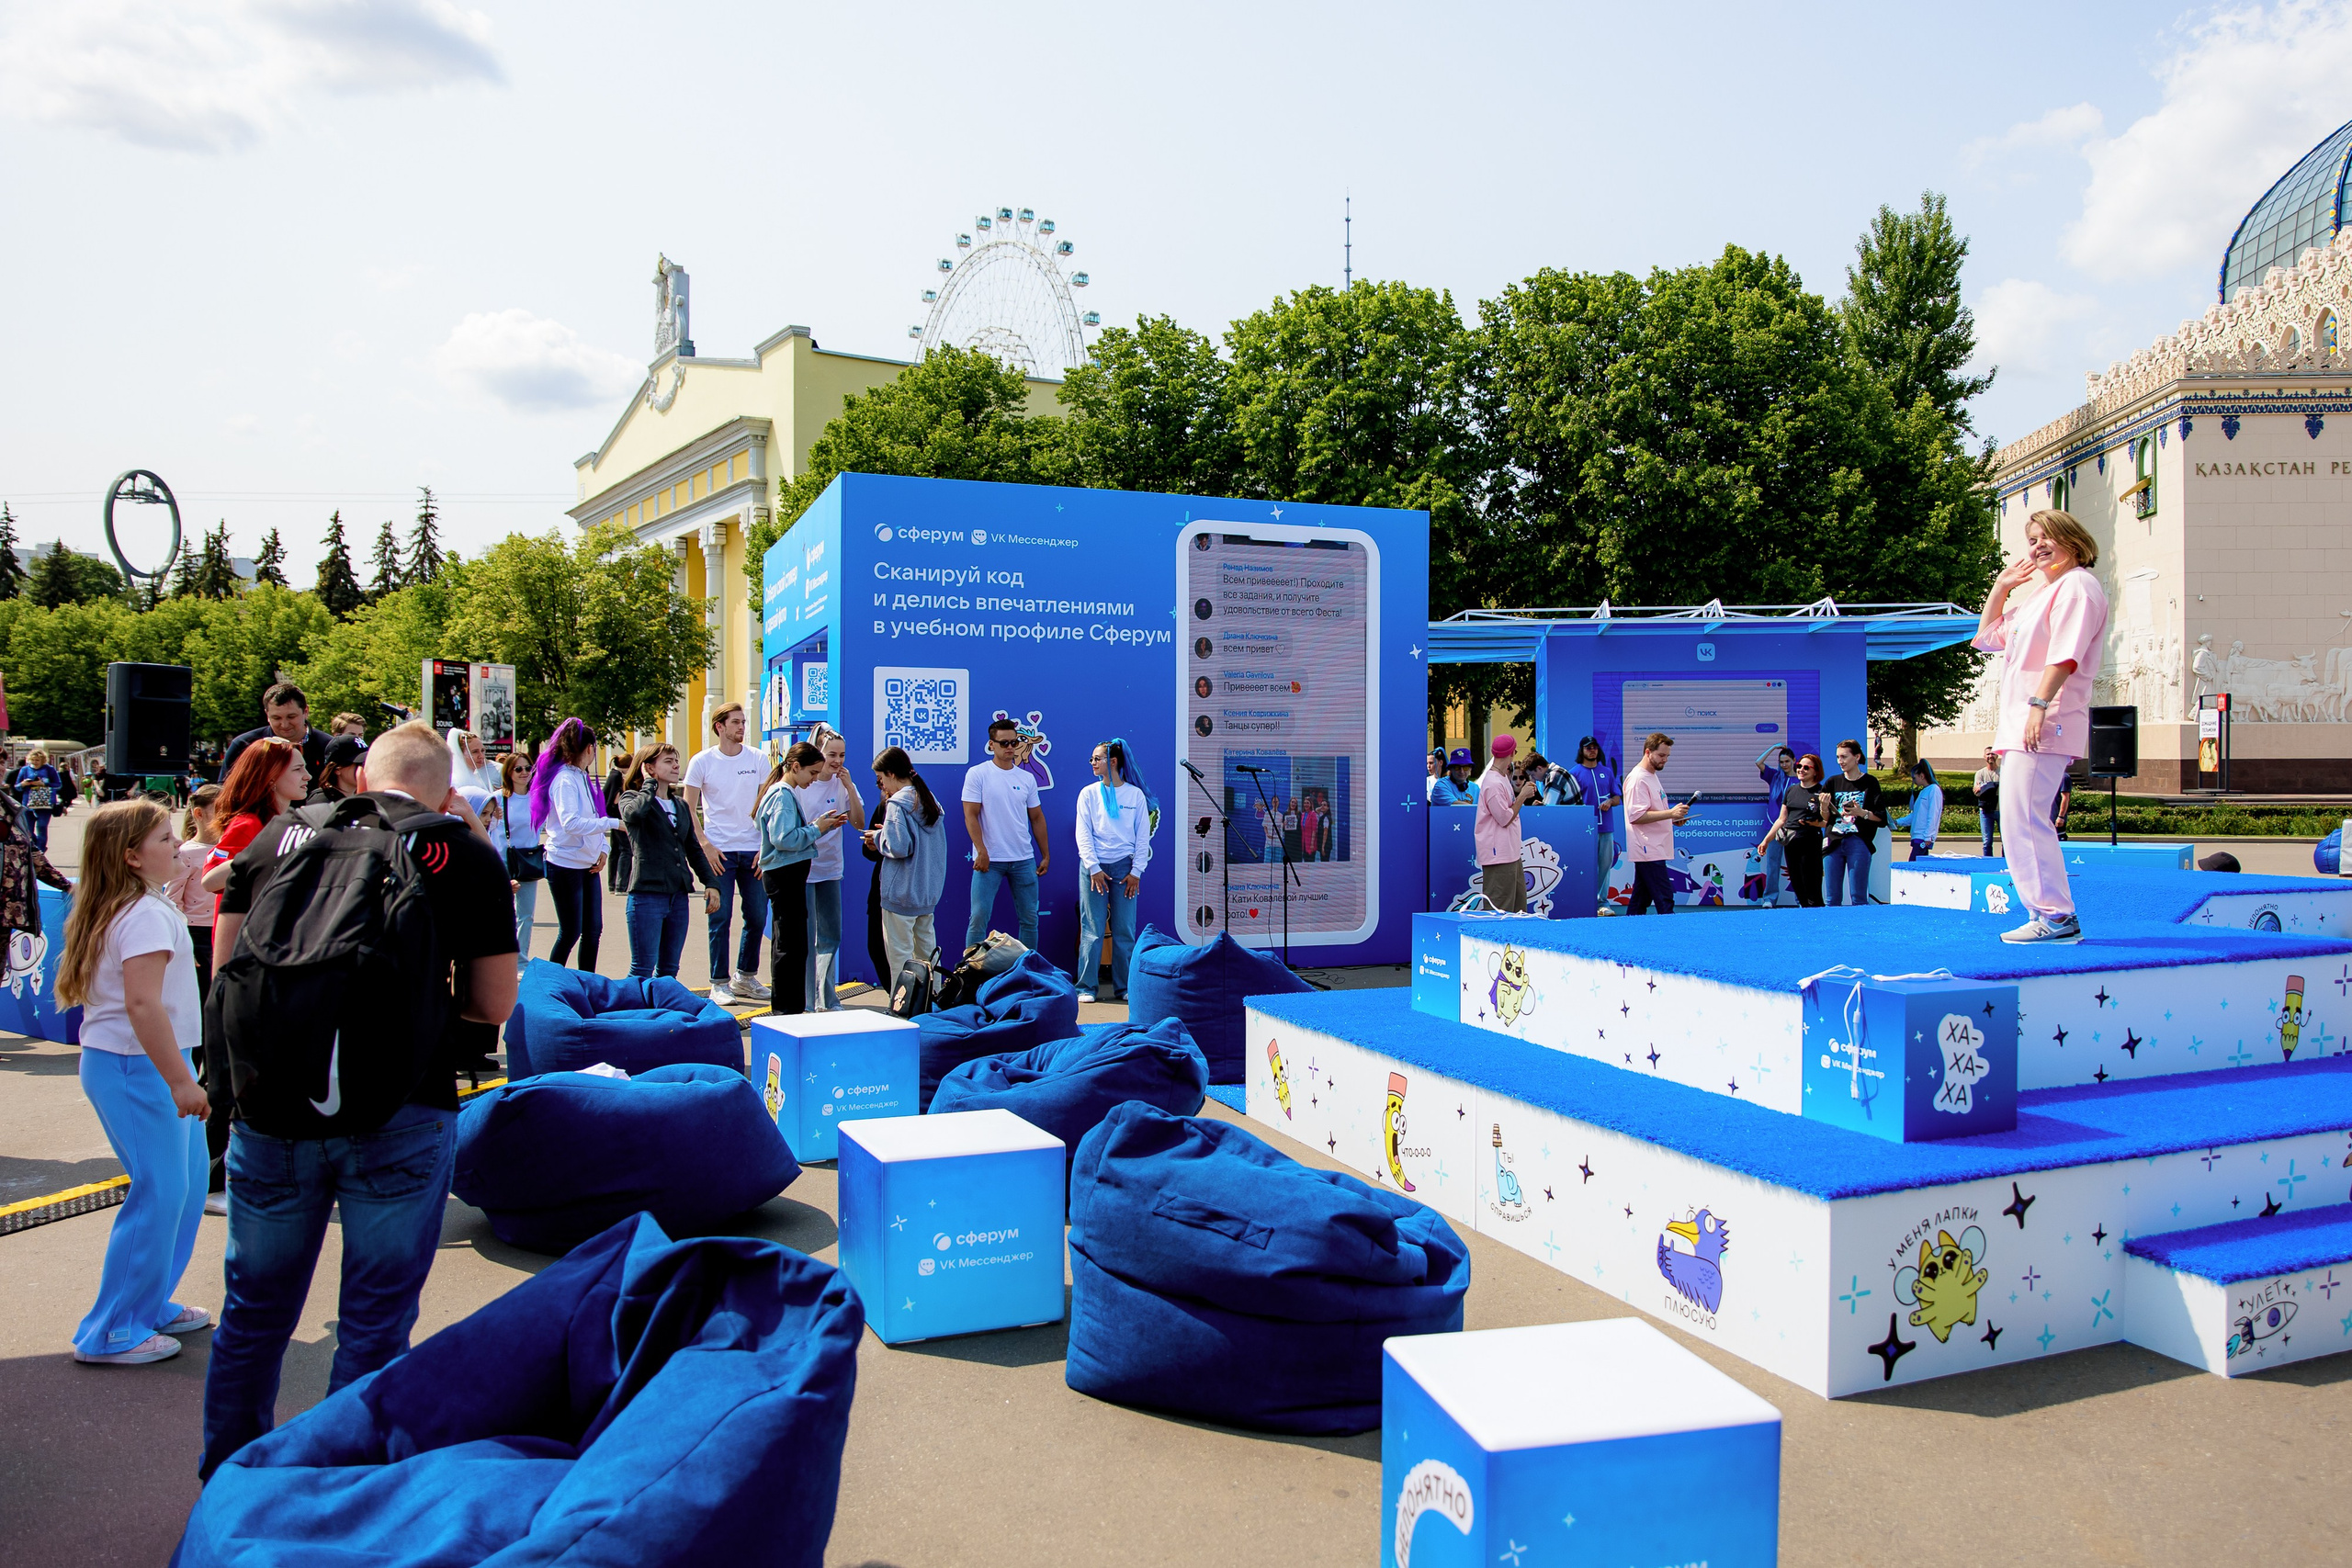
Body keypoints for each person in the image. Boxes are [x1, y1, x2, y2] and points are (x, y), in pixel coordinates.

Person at [200, 722, 517, 1478]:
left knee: (253, 1315)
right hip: (402, 1106)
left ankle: (228, 1488)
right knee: (373, 1326)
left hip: (270, 1105)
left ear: (359, 777)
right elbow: (495, 1003)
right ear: (446, 788)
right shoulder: (456, 851)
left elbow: (226, 968)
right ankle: (334, 1488)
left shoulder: (281, 835)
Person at [57, 799, 210, 1366]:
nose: (178, 844)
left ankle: (148, 1302)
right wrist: (180, 1081)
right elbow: (143, 1005)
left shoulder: (143, 903)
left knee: (187, 1188)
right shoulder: (142, 912)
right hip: (136, 1067)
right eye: (165, 839)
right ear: (130, 857)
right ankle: (113, 1330)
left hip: (148, 1064)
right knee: (160, 1193)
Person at [1973, 508, 2109, 943]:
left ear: (2073, 540)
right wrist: (2000, 586)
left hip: (2044, 720)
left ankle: (2055, 916)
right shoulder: (2041, 595)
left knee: (2027, 819)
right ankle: (2048, 913)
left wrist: (2038, 704)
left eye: (2046, 537)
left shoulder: (2079, 587)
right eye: (2032, 539)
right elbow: (1988, 636)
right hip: (2024, 722)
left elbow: (2066, 655)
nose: (2037, 546)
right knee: (2018, 819)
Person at [684, 703, 771, 1007]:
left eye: (744, 722)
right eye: (735, 722)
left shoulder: (759, 759)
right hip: (719, 852)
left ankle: (745, 977)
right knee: (720, 917)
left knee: (758, 916)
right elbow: (688, 808)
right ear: (719, 726)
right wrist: (704, 844)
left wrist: (765, 845)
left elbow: (765, 807)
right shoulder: (701, 761)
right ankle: (718, 983)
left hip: (752, 850)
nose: (742, 727)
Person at [756, 745, 847, 1016]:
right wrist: (816, 829)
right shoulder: (782, 795)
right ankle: (787, 1009)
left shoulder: (783, 793)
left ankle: (790, 1006)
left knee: (791, 943)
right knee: (790, 945)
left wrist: (814, 827)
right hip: (784, 875)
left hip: (786, 874)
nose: (813, 779)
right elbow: (782, 838)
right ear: (795, 767)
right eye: (812, 772)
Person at [618, 742, 719, 980]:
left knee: (669, 970)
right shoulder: (632, 798)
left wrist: (711, 883)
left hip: (678, 894)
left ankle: (664, 1015)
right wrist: (649, 785)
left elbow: (693, 850)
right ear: (648, 768)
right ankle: (640, 1016)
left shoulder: (681, 805)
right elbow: (634, 814)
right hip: (647, 894)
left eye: (677, 760)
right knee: (642, 970)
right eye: (668, 761)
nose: (676, 765)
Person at [531, 718, 618, 970]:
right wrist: (613, 824)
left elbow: (593, 815)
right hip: (565, 864)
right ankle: (550, 984)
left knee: (593, 930)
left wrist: (603, 848)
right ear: (589, 749)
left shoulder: (581, 777)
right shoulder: (564, 779)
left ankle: (586, 983)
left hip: (587, 864)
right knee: (571, 931)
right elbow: (571, 823)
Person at [1074, 737, 1155, 1002]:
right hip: (1093, 868)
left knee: (1124, 931)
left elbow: (1142, 837)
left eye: (1097, 759)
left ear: (1113, 761)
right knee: (1092, 929)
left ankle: (1125, 988)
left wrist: (1137, 872)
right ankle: (1086, 987)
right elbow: (1083, 833)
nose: (1092, 763)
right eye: (1092, 759)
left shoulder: (1134, 795)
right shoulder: (1088, 794)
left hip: (1125, 869)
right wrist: (1093, 867)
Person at [793, 724, 866, 1010]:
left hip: (831, 869)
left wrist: (848, 786)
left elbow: (859, 822)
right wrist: (819, 827)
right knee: (807, 938)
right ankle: (810, 1000)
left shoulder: (843, 783)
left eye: (842, 755)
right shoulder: (803, 784)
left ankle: (827, 995)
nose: (837, 761)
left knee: (831, 934)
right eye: (831, 755)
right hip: (804, 870)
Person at [963, 716, 1050, 951]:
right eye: (1004, 743)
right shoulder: (977, 774)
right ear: (991, 744)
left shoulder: (1027, 778)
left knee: (1030, 919)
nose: (1011, 747)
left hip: (1023, 858)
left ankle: (1028, 972)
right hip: (989, 860)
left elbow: (1037, 817)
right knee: (979, 918)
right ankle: (970, 973)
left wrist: (1045, 854)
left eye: (1014, 742)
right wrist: (981, 851)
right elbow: (970, 815)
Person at [866, 747, 947, 985]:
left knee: (900, 955)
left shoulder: (897, 804)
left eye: (881, 778)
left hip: (901, 893)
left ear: (891, 774)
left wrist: (878, 839)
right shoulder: (929, 799)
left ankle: (903, 1007)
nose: (882, 785)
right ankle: (932, 1004)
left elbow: (900, 847)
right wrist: (889, 834)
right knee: (927, 954)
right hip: (926, 892)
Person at [199, 739, 311, 905]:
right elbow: (210, 879)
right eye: (297, 769)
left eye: (305, 768)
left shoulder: (288, 821)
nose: (308, 776)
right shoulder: (248, 823)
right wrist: (266, 854)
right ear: (270, 777)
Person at [1622, 732, 1689, 917]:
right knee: (1664, 897)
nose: (1665, 760)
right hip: (1648, 847)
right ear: (1648, 752)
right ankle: (1670, 936)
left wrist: (1673, 818)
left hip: (1652, 847)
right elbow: (1636, 816)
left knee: (1641, 899)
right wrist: (1670, 813)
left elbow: (1649, 812)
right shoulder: (1638, 778)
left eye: (1667, 756)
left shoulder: (1650, 775)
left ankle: (1629, 935)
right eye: (1661, 755)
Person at [490, 751, 543, 970]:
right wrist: (493, 817)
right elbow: (484, 826)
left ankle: (520, 962)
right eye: (518, 769)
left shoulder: (538, 797)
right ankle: (500, 957)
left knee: (526, 915)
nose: (524, 773)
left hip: (528, 861)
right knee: (502, 913)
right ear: (508, 772)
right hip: (502, 860)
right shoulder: (498, 798)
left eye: (528, 768)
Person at [219, 682, 332, 784]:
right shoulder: (244, 745)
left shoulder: (329, 747)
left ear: (306, 711)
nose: (284, 724)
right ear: (267, 715)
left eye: (291, 717)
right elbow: (224, 791)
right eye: (276, 718)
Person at [1755, 754, 1828, 908]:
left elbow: (1828, 822)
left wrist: (1815, 821)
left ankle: (1817, 920)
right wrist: (1766, 841)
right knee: (1797, 883)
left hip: (1810, 843)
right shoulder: (1791, 790)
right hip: (1791, 843)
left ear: (1816, 771)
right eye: (1799, 766)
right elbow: (1781, 819)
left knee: (1812, 887)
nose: (1801, 770)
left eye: (1806, 767)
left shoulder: (1821, 791)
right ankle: (1804, 917)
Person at [1822, 739, 1884, 907]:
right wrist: (1823, 806)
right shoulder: (1832, 782)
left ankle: (1860, 931)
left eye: (1844, 757)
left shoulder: (1870, 782)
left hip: (1858, 840)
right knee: (1832, 898)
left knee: (1858, 897)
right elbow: (1825, 818)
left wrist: (1861, 813)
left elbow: (1881, 817)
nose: (1840, 761)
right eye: (1837, 757)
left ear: (1857, 757)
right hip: (1833, 841)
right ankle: (1832, 931)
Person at [1567, 737, 1623, 913]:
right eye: (1588, 748)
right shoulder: (1574, 773)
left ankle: (1602, 903)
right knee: (1584, 865)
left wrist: (1609, 802)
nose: (1592, 750)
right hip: (1584, 830)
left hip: (1606, 827)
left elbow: (1617, 797)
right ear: (1581, 750)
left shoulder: (1606, 772)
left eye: (1594, 747)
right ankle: (1582, 901)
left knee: (1605, 865)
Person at [1475, 735, 1528, 911]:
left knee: (1517, 907)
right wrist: (1522, 796)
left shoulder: (1501, 778)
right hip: (1499, 855)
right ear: (1512, 753)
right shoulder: (1493, 783)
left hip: (1510, 853)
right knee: (1499, 909)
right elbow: (1504, 818)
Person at [1753, 744, 1799, 905]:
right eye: (1781, 762)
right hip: (1773, 828)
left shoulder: (1799, 779)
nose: (1784, 765)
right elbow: (1758, 762)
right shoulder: (1774, 776)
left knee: (1795, 865)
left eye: (1787, 761)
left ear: (1794, 760)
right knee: (1772, 865)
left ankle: (1800, 899)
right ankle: (1770, 899)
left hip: (1793, 828)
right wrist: (1773, 748)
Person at [13, 747, 63, 852]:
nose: (35, 762)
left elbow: (58, 785)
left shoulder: (49, 769)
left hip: (45, 804)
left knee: (42, 826)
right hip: (28, 804)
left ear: (43, 760)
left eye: (37, 760)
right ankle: (36, 846)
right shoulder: (25, 770)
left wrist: (44, 784)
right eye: (33, 760)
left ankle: (41, 851)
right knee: (28, 830)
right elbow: (17, 787)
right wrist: (23, 784)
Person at [602, 747, 634, 894]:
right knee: (626, 849)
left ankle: (612, 884)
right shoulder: (617, 776)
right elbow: (613, 799)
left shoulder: (613, 774)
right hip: (617, 818)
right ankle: (621, 886)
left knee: (615, 850)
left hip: (612, 817)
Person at [307, 734, 367, 806]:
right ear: (337, 769)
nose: (366, 768)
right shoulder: (323, 801)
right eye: (360, 763)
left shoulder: (361, 798)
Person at [1905, 761, 1944, 861]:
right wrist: (1898, 822)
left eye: (1914, 778)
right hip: (1918, 836)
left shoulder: (1934, 790)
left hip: (1923, 837)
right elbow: (1916, 815)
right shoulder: (1924, 791)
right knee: (1917, 866)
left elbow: (1933, 814)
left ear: (1922, 776)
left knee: (1913, 865)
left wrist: (1928, 837)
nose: (1913, 781)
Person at [447, 728, 501, 796]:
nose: (481, 756)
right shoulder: (454, 783)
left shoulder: (477, 779)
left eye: (482, 751)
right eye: (475, 752)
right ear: (460, 754)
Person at [1972, 747, 2002, 856]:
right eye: (1988, 754)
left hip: (2001, 811)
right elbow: (1977, 790)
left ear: (1997, 756)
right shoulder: (1980, 773)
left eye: (1993, 754)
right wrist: (1992, 787)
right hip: (1985, 811)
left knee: (2006, 841)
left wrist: (1985, 787)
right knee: (1987, 841)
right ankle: (1987, 863)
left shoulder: (2003, 772)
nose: (1990, 756)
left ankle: (2006, 863)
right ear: (1984, 757)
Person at [2052, 767, 2076, 841]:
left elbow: (2065, 798)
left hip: (2056, 819)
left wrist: (2060, 817)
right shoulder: (2049, 777)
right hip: (2046, 818)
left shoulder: (2064, 777)